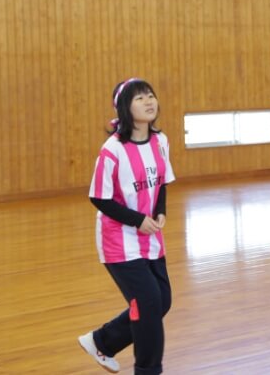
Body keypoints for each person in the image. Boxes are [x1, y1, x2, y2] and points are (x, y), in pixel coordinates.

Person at [78, 78, 175, 375]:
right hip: (119, 241)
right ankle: (148, 370)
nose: (148, 101)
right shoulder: (112, 149)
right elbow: (99, 197)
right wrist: (137, 220)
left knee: (162, 301)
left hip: (150, 237)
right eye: (139, 98)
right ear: (124, 107)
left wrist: (159, 212)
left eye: (150, 96)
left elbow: (161, 184)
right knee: (147, 305)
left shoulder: (161, 141)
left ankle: (102, 340)